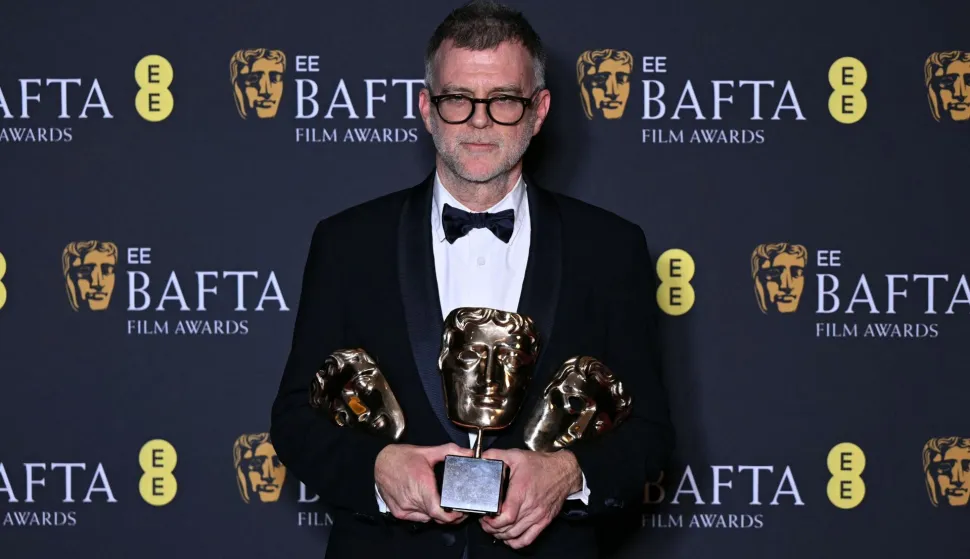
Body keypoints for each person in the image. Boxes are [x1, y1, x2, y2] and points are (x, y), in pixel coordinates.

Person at [270, 1, 674, 557]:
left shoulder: (611, 247)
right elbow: (294, 418)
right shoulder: (347, 242)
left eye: (504, 100)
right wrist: (379, 467)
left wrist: (567, 474)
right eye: (458, 98)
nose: (479, 120)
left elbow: (650, 432)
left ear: (538, 111)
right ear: (427, 109)